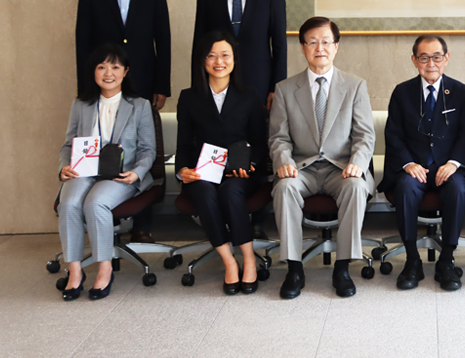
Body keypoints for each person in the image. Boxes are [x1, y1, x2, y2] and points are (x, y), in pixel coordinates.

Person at [76, 0, 171, 243]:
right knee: (104, 143)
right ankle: (102, 219)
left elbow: (164, 42)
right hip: (102, 86)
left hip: (142, 83)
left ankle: (142, 225)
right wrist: (85, 91)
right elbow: (82, 45)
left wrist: (162, 86)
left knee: (144, 151)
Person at [270, 17, 375, 299]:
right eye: (313, 42)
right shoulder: (285, 89)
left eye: (326, 42)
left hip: (341, 169)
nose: (320, 48)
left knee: (356, 187)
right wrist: (284, 162)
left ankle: (342, 267)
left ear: (336, 46)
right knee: (284, 188)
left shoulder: (354, 86)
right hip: (301, 169)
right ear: (303, 47)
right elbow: (278, 137)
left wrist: (358, 163)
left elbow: (365, 134)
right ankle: (294, 267)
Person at [378, 35, 465, 291]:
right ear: (414, 60)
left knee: (457, 189)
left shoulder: (459, 90)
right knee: (405, 188)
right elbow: (393, 133)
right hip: (415, 167)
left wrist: (454, 163)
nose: (430, 63)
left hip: (449, 167)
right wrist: (408, 164)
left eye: (436, 57)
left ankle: (447, 260)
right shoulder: (402, 92)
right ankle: (412, 260)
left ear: (446, 59)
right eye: (424, 57)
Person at [57, 44, 156, 301]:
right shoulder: (81, 105)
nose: (108, 72)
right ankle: (75, 271)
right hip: (85, 171)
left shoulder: (140, 105)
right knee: (68, 204)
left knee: (96, 203)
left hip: (122, 174)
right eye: (101, 67)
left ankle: (105, 269)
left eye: (115, 66)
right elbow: (69, 144)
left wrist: (137, 173)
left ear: (125, 72)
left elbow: (148, 150)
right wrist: (64, 167)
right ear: (93, 72)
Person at [175, 31, 269, 295]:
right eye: (212, 55)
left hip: (241, 171)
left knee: (231, 191)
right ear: (202, 61)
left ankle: (248, 259)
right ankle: (229, 261)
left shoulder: (249, 95)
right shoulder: (189, 97)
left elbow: (260, 143)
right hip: (202, 172)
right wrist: (182, 171)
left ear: (235, 60)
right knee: (204, 191)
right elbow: (183, 144)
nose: (219, 61)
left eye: (225, 54)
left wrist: (250, 164)